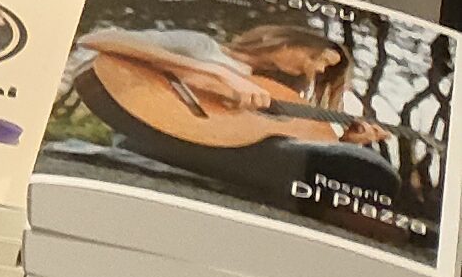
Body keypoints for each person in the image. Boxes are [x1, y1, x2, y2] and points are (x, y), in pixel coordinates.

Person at [69, 17, 417, 216]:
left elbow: (267, 136)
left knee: (362, 164)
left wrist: (348, 141)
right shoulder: (204, 47)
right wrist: (214, 73)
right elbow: (99, 39)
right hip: (158, 133)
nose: (314, 72)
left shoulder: (273, 92)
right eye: (317, 59)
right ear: (286, 42)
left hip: (231, 150)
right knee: (367, 170)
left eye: (323, 71)